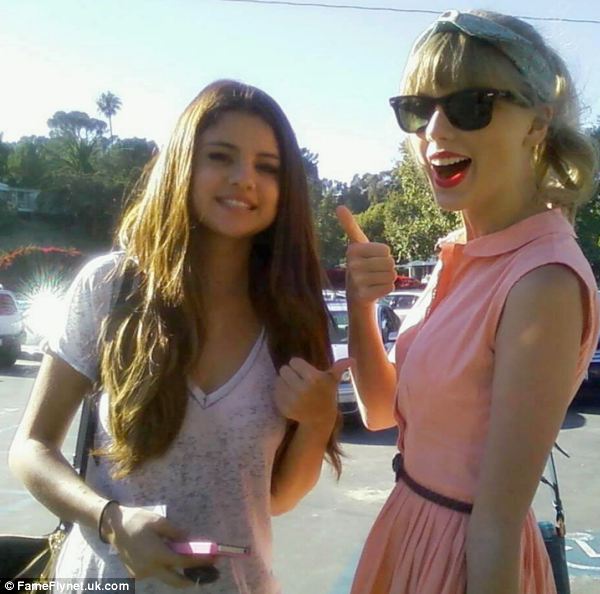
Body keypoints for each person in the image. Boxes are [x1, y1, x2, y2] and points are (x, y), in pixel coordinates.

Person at [9, 79, 350, 593]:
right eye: (220, 156)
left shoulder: (293, 315)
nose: (244, 180)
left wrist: (319, 419)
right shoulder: (110, 287)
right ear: (182, 165)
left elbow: (274, 498)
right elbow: (32, 447)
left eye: (267, 167)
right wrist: (110, 519)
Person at [337, 9, 600, 594]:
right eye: (417, 108)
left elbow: (498, 525)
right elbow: (382, 412)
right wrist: (361, 306)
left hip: (459, 562)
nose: (435, 129)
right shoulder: (462, 250)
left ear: (538, 122)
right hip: (407, 527)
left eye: (469, 105)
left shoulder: (542, 281)